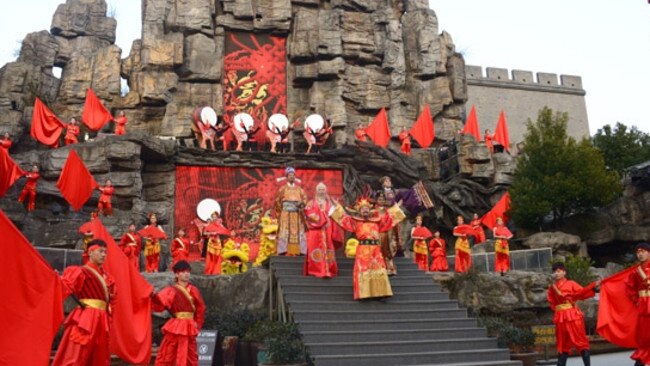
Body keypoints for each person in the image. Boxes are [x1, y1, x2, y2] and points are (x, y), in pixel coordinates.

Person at [52, 239, 115, 366]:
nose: (104, 255)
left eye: (105, 252)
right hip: (87, 318)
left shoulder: (107, 277)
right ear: (90, 252)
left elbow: (112, 299)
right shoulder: (81, 271)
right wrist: (56, 280)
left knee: (100, 356)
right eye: (100, 251)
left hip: (102, 319)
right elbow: (65, 287)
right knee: (77, 354)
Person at [330, 196, 405, 300]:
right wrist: (336, 206)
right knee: (364, 270)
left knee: (378, 270)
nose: (365, 210)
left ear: (370, 210)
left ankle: (380, 293)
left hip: (375, 249)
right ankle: (364, 293)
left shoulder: (377, 221)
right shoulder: (356, 222)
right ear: (359, 211)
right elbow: (344, 218)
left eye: (366, 208)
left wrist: (397, 207)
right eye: (362, 208)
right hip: (363, 249)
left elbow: (388, 219)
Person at [152, 260, 206, 366]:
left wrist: (197, 324)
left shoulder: (194, 290)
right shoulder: (171, 290)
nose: (187, 274)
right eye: (183, 271)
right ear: (177, 274)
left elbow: (201, 308)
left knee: (190, 354)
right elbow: (161, 302)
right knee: (169, 352)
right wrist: (153, 296)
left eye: (188, 271)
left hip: (190, 325)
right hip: (176, 326)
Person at [547, 262, 599, 366]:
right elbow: (551, 302)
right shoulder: (552, 287)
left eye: (558, 271)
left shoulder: (571, 283)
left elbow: (581, 292)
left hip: (572, 316)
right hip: (560, 317)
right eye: (554, 272)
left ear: (564, 272)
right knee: (562, 343)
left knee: (580, 341)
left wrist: (592, 288)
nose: (556, 274)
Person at [303, 182, 338, 278]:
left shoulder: (329, 203)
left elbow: (335, 214)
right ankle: (315, 270)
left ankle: (328, 269)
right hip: (315, 230)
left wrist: (335, 207)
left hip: (327, 229)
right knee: (314, 248)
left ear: (326, 191)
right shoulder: (311, 203)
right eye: (319, 189)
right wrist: (321, 218)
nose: (321, 191)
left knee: (328, 247)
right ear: (316, 191)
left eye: (323, 189)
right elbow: (309, 215)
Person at [626, 243, 650, 366]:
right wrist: (637, 300)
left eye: (643, 251)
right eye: (638, 252)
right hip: (643, 306)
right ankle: (642, 358)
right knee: (644, 335)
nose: (640, 254)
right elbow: (630, 289)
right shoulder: (635, 272)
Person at [274, 167, 307, 256]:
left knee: (298, 231)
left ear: (295, 177)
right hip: (285, 213)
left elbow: (304, 199)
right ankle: (282, 250)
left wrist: (302, 204)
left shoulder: (299, 189)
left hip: (297, 213)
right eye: (290, 175)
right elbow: (277, 201)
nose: (291, 177)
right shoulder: (282, 189)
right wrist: (280, 213)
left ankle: (301, 251)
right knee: (285, 231)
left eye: (293, 175)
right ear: (287, 177)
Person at [376, 192, 400, 275]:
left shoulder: (388, 211)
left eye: (383, 199)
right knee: (378, 252)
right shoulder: (373, 211)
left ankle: (390, 269)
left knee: (387, 252)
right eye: (379, 199)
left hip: (387, 234)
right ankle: (379, 268)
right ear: (376, 200)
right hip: (376, 234)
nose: (381, 201)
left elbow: (393, 219)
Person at [203, 211, 231, 275]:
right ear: (211, 218)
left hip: (217, 241)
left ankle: (217, 270)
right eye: (213, 217)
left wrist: (220, 231)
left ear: (217, 217)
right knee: (211, 256)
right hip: (211, 242)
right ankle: (210, 270)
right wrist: (211, 233)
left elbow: (225, 231)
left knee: (218, 255)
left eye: (215, 217)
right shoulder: (209, 225)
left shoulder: (220, 225)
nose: (214, 218)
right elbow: (204, 233)